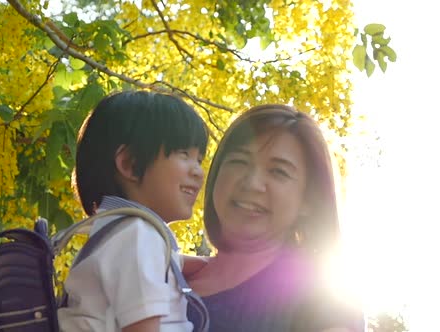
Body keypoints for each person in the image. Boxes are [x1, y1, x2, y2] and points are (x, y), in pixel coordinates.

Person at [186, 104, 364, 331]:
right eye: (239, 161)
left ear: (308, 201)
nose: (251, 183)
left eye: (279, 171)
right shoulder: (163, 275)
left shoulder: (322, 297)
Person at [57, 90, 209, 332]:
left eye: (199, 159)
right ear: (130, 164)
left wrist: (205, 264)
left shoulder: (118, 233)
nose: (198, 171)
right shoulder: (138, 235)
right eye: (184, 155)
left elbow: (157, 262)